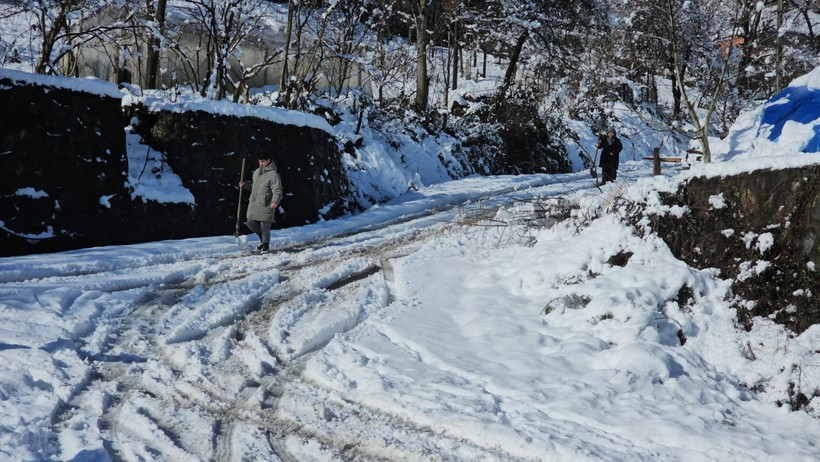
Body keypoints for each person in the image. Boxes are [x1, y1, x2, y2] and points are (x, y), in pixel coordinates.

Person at [240, 155, 283, 252]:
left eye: (263, 161)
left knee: (264, 225)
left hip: (267, 203)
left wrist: (275, 201)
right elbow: (254, 186)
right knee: (250, 222)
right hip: (255, 203)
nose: (261, 163)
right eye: (260, 161)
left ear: (268, 160)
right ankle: (262, 239)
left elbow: (277, 190)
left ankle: (265, 246)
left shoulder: (274, 175)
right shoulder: (257, 172)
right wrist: (245, 185)